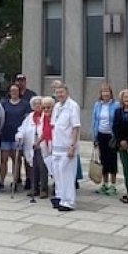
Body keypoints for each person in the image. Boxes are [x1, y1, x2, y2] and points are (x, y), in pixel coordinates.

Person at [0, 84, 31, 192]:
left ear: (19, 92)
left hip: (18, 137)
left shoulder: (25, 104)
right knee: (3, 160)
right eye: (12, 91)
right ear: (9, 92)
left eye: (16, 90)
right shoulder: (4, 103)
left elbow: (27, 119)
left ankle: (15, 181)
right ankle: (1, 181)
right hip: (6, 135)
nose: (14, 92)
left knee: (17, 160)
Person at [51, 84, 80, 212]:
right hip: (56, 145)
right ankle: (60, 197)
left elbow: (75, 127)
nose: (59, 95)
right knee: (58, 174)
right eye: (57, 93)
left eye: (61, 92)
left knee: (67, 175)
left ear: (66, 92)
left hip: (67, 146)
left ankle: (69, 201)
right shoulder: (57, 106)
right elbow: (54, 126)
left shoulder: (73, 106)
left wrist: (72, 146)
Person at [90, 83, 120, 196]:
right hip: (100, 134)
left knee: (112, 160)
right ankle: (104, 184)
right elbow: (94, 121)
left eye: (107, 91)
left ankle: (113, 185)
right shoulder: (98, 105)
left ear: (111, 93)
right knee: (103, 161)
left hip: (111, 136)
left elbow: (117, 120)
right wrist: (94, 136)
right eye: (103, 92)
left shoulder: (116, 105)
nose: (105, 94)